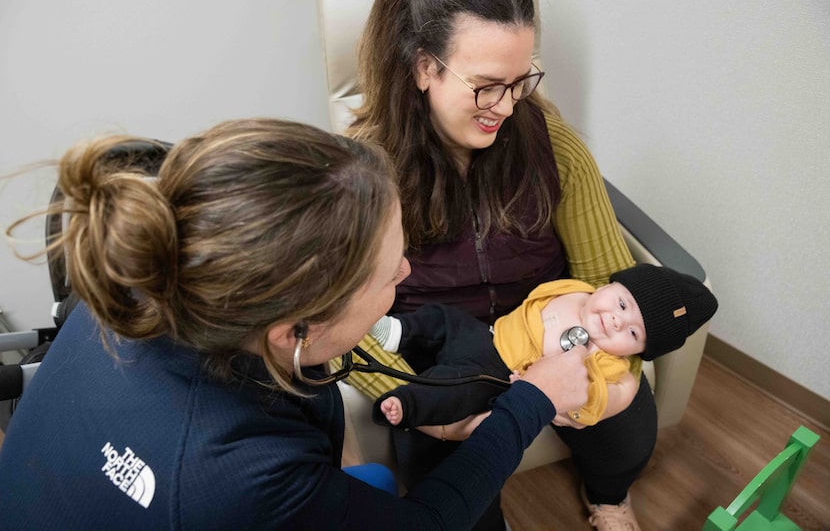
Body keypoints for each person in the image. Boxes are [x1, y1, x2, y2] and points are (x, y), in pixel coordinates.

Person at [0, 118, 592, 529]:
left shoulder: (138, 291)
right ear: (295, 330)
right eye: (390, 276)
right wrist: (532, 400)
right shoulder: (246, 478)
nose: (407, 271)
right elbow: (430, 522)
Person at [343, 0, 666, 528]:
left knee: (629, 415)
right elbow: (334, 323)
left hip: (552, 331)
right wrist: (423, 404)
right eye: (488, 85)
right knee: (449, 484)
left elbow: (609, 276)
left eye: (521, 82)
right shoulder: (365, 176)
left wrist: (588, 363)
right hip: (442, 358)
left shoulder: (555, 149)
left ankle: (609, 496)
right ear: (425, 68)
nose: (508, 106)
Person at [371, 264, 718, 431]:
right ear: (608, 285)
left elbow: (589, 407)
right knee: (445, 318)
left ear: (637, 352)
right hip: (486, 336)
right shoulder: (574, 290)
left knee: (454, 386)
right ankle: (401, 331)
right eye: (622, 305)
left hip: (496, 379)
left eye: (632, 333)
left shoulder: (610, 367)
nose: (615, 321)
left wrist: (557, 400)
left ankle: (406, 403)